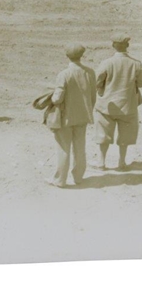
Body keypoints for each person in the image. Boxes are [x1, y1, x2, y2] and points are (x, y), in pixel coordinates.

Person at [47, 44, 96, 188]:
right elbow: (93, 97)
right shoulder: (90, 72)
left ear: (67, 56)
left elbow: (57, 99)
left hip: (65, 118)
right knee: (80, 148)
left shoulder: (64, 74)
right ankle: (78, 177)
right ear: (82, 55)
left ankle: (60, 180)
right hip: (83, 116)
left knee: (63, 148)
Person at [94, 35, 142, 170]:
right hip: (128, 106)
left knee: (103, 135)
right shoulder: (136, 64)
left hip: (107, 106)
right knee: (126, 136)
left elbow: (97, 82)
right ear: (127, 46)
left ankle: (101, 162)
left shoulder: (106, 63)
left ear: (113, 46)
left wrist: (101, 90)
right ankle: (121, 162)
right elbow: (141, 83)